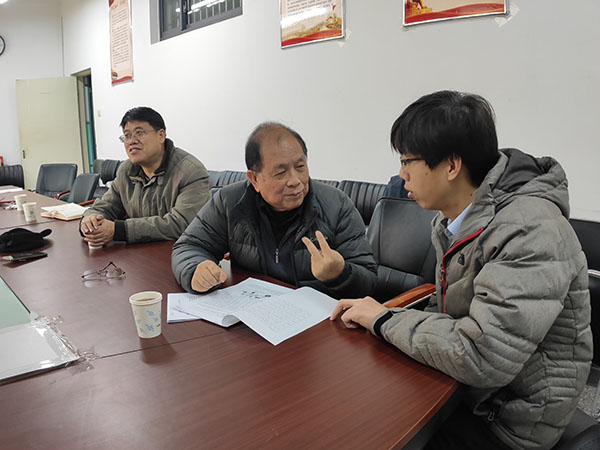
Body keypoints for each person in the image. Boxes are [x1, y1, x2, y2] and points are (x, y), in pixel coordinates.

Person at [330, 91, 592, 450]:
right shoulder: (455, 219)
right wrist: (382, 317)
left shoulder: (529, 230)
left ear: (452, 166)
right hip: (471, 391)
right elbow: (449, 309)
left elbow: (483, 355)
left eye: (407, 161)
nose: (401, 174)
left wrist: (384, 319)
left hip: (509, 417)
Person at [172, 122, 377, 299]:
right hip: (253, 311)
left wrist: (340, 274)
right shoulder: (230, 201)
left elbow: (369, 281)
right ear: (254, 179)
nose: (295, 181)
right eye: (281, 172)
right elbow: (190, 245)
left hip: (318, 321)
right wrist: (195, 268)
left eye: (300, 167)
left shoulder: (337, 205)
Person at [80, 107, 209, 245]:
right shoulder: (126, 170)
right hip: (139, 251)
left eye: (139, 133)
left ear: (161, 135)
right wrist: (90, 220)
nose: (132, 141)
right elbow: (106, 206)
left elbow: (181, 223)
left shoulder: (190, 171)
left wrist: (120, 230)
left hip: (178, 251)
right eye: (127, 135)